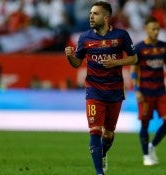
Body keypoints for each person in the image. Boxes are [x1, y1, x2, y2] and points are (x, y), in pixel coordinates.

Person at [64, 1, 137, 174]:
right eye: (90, 13)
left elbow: (134, 58)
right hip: (93, 91)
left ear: (106, 17)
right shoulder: (85, 38)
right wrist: (69, 57)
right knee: (95, 132)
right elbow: (77, 63)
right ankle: (99, 172)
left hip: (114, 91)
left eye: (95, 14)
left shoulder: (121, 36)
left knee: (108, 134)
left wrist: (116, 62)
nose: (91, 16)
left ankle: (102, 153)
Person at [130, 16, 166, 166]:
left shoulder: (164, 47)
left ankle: (152, 145)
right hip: (145, 93)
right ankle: (145, 156)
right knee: (145, 125)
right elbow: (134, 70)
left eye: (158, 29)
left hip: (161, 91)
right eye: (153, 29)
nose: (156, 32)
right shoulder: (139, 48)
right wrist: (136, 90)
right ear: (146, 30)